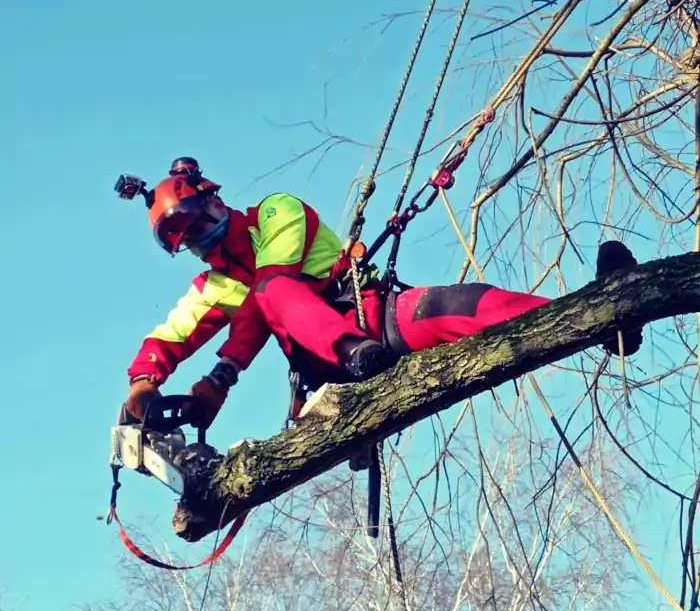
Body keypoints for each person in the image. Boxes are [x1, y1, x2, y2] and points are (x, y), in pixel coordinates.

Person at [123, 158, 643, 434]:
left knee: (464, 304)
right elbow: (171, 332)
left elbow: (270, 287)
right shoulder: (214, 286)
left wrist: (220, 377)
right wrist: (143, 388)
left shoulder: (275, 214)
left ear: (217, 202)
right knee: (267, 291)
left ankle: (598, 316)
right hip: (324, 362)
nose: (204, 240)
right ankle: (354, 359)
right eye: (191, 240)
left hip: (370, 316)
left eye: (200, 225)